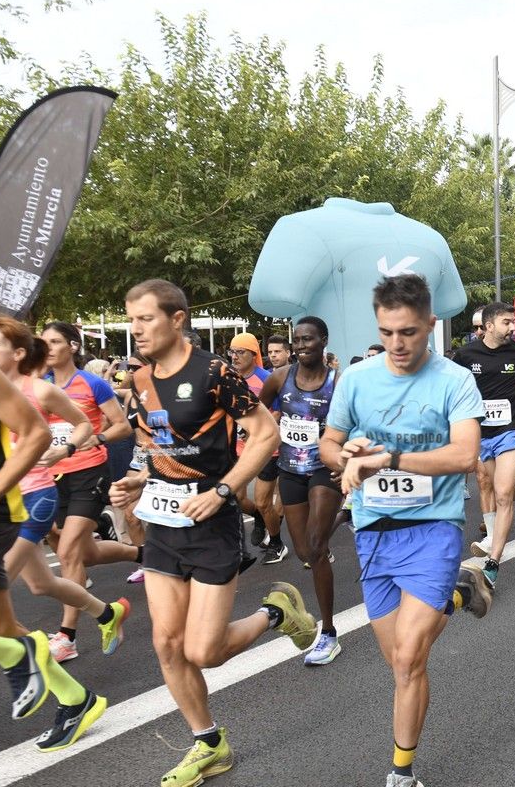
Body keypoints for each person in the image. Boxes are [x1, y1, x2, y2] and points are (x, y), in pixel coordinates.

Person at [111, 279, 317, 786]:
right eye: (131, 319)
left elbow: (264, 433)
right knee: (166, 644)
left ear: (177, 319)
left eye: (146, 319)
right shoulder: (140, 380)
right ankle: (209, 743)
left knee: (205, 651)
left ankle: (276, 612)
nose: (136, 329)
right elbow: (152, 442)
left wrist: (223, 491)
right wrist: (139, 478)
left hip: (211, 523)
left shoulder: (213, 372)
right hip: (162, 523)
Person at [319, 273, 492, 787]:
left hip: (433, 527)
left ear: (431, 326)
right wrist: (344, 454)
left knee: (409, 658)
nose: (397, 343)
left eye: (409, 332)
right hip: (373, 532)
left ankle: (401, 773)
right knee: (399, 658)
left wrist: (390, 457)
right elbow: (328, 444)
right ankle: (461, 594)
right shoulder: (356, 380)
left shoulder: (454, 380)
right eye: (387, 331)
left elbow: (465, 455)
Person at [0, 355, 111, 752]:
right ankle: (74, 695)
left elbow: (46, 432)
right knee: (14, 614)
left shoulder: (36, 387)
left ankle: (45, 643)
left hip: (20, 502)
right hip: (16, 504)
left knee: (68, 557)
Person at [0, 318, 130, 656]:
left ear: (19, 353)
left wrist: (66, 448)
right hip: (5, 501)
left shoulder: (40, 389)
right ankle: (107, 612)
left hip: (36, 494)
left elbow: (81, 423)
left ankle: (50, 651)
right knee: (40, 584)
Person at [40, 321, 138, 661]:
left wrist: (94, 438)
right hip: (53, 478)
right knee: (84, 554)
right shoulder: (42, 385)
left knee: (68, 553)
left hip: (89, 473)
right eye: (44, 342)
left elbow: (122, 425)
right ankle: (145, 554)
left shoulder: (92, 383)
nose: (48, 347)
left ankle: (67, 637)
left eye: (55, 341)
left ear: (72, 346)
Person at [259, 316, 345, 666]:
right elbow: (258, 411)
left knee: (318, 546)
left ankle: (328, 632)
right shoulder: (281, 378)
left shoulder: (338, 383)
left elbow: (356, 420)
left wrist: (345, 458)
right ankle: (344, 518)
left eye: (308, 339)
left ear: (323, 341)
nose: (300, 346)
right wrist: (268, 430)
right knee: (304, 553)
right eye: (297, 340)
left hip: (325, 471)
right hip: (290, 470)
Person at [451, 302, 515, 589]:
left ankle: (493, 561)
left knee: (503, 492)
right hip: (482, 433)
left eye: (512, 321)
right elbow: (451, 385)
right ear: (488, 325)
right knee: (497, 486)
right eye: (506, 322)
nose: (512, 327)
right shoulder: (466, 355)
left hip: (512, 429)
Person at [227, 333, 285, 562]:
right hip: (239, 449)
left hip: (266, 449)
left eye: (240, 352)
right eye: (232, 352)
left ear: (253, 354)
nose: (235, 357)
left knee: (262, 501)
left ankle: (277, 543)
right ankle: (260, 519)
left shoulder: (266, 378)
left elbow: (278, 412)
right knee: (237, 498)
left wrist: (255, 430)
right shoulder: (229, 378)